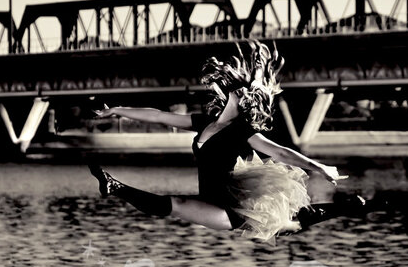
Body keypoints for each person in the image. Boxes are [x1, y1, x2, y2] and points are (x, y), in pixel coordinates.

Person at [89, 41, 369, 242]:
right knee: (292, 222)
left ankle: (114, 187)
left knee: (291, 223)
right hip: (211, 196)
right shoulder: (205, 121)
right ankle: (351, 207)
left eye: (238, 89)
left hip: (232, 208)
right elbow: (160, 116)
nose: (228, 89)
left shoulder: (241, 129)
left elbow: (280, 152)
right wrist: (118, 110)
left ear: (244, 96)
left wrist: (320, 167)